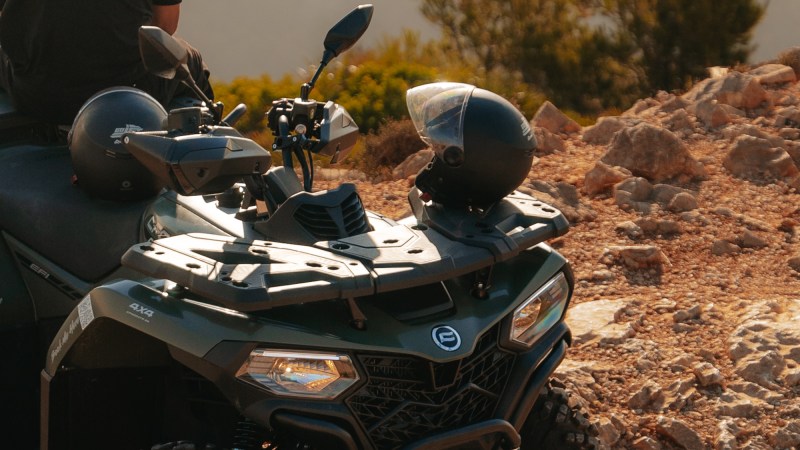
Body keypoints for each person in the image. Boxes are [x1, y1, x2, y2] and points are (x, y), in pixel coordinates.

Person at [0, 0, 213, 125]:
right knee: (191, 62)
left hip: (37, 96)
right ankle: (204, 150)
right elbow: (165, 27)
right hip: (128, 93)